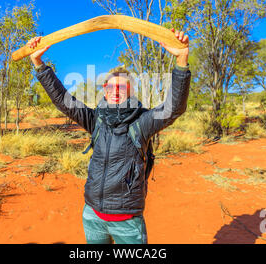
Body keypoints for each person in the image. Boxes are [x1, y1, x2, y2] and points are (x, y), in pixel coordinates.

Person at [27, 29, 191, 244]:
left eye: (122, 86)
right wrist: (39, 64)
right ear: (104, 90)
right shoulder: (96, 120)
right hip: (92, 215)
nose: (115, 90)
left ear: (131, 91)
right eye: (110, 86)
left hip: (127, 222)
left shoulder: (142, 122)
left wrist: (181, 60)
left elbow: (174, 107)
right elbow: (63, 101)